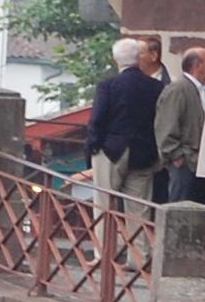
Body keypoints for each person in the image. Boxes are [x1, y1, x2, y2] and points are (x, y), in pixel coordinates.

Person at [88, 37, 165, 208]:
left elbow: (97, 119)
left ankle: (104, 236)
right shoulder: (156, 86)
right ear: (138, 58)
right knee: (140, 209)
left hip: (110, 149)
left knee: (104, 206)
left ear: (115, 59)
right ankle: (137, 236)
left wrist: (93, 147)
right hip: (144, 152)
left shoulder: (108, 85)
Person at [160, 48, 205, 205]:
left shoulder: (199, 89)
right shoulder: (177, 89)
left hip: (199, 162)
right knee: (181, 206)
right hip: (186, 162)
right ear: (197, 65)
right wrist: (176, 156)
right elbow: (166, 124)